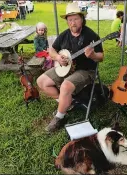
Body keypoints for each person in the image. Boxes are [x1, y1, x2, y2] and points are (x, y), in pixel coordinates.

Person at [37, 2, 104, 133]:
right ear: (67, 21)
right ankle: (68, 103)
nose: (73, 23)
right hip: (66, 67)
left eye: (76, 19)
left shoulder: (91, 35)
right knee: (41, 81)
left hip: (85, 70)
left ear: (82, 19)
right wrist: (57, 58)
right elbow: (52, 50)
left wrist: (93, 55)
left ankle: (59, 117)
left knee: (65, 86)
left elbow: (101, 56)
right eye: (70, 20)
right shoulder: (65, 34)